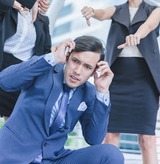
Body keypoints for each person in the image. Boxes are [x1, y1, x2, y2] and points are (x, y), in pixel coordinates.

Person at [0, 36, 124, 164]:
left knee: (112, 154)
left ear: (94, 71)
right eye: (75, 61)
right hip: (14, 154)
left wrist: (102, 91)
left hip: (53, 159)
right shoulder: (44, 69)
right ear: (67, 57)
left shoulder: (90, 93)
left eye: (87, 67)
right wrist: (52, 58)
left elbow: (94, 139)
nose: (77, 71)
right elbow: (5, 81)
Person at [81, 0, 160, 164]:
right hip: (116, 79)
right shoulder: (117, 10)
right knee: (110, 136)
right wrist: (92, 11)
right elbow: (102, 13)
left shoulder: (155, 10)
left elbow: (149, 25)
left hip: (145, 80)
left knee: (147, 139)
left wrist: (137, 36)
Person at [0, 0, 51, 122]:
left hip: (22, 74)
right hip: (2, 65)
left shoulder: (42, 19)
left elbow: (45, 50)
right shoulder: (6, 8)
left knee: (14, 121)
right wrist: (16, 2)